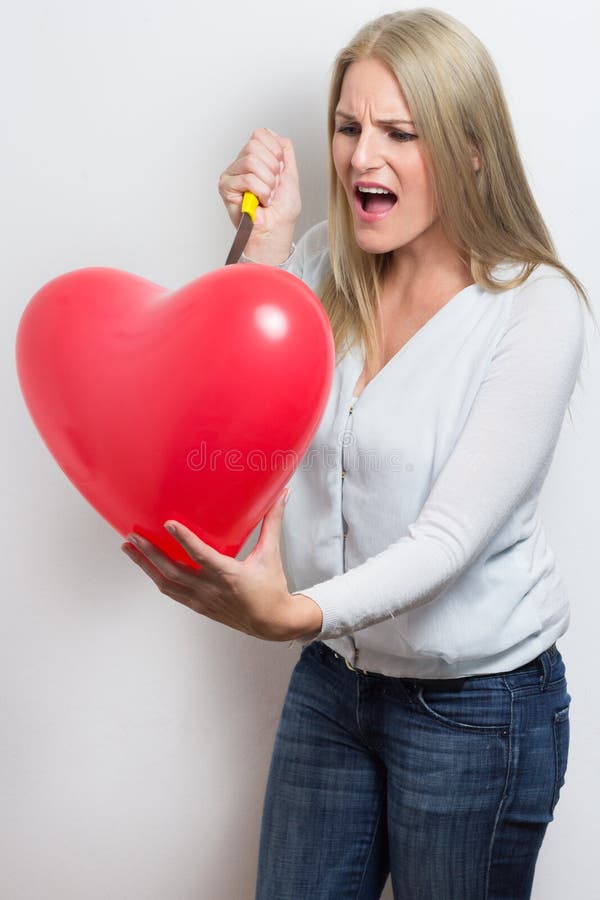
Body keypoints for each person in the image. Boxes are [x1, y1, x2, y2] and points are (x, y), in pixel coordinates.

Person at [122, 8, 594, 899]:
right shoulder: (317, 266)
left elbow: (446, 541)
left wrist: (292, 613)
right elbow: (218, 417)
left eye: (399, 133)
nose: (360, 159)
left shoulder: (534, 309)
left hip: (477, 707)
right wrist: (262, 249)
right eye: (348, 127)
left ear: (472, 148)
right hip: (335, 681)